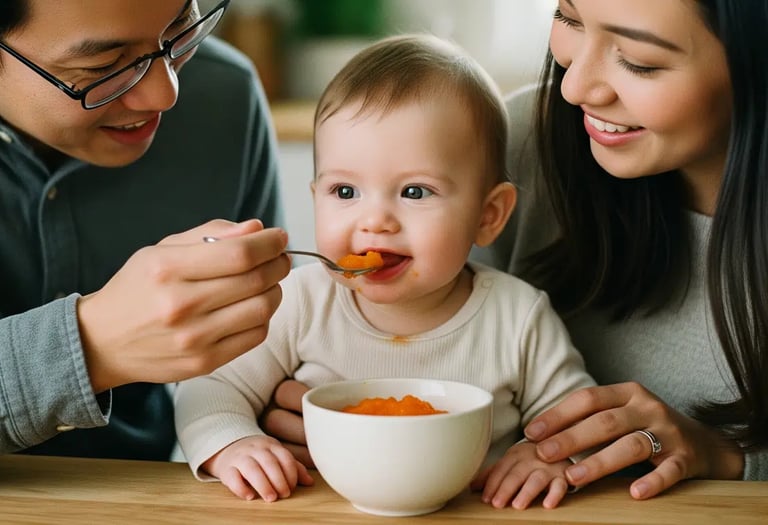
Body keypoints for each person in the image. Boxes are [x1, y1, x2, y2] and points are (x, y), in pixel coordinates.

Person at [261, 0, 768, 504]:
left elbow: (547, 412)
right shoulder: (528, 136)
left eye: (638, 59)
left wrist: (727, 458)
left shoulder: (520, 304)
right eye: (569, 19)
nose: (573, 88)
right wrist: (250, 423)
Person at [173, 33, 597, 510]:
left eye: (415, 192)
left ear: (488, 215)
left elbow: (576, 422)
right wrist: (233, 443)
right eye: (345, 193)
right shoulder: (297, 301)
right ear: (315, 198)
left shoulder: (517, 317)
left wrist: (549, 456)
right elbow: (209, 389)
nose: (374, 221)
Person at [0, 0, 291, 460]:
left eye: (180, 27)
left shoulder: (225, 95)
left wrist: (276, 407)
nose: (165, 94)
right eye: (104, 64)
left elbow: (262, 359)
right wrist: (90, 347)